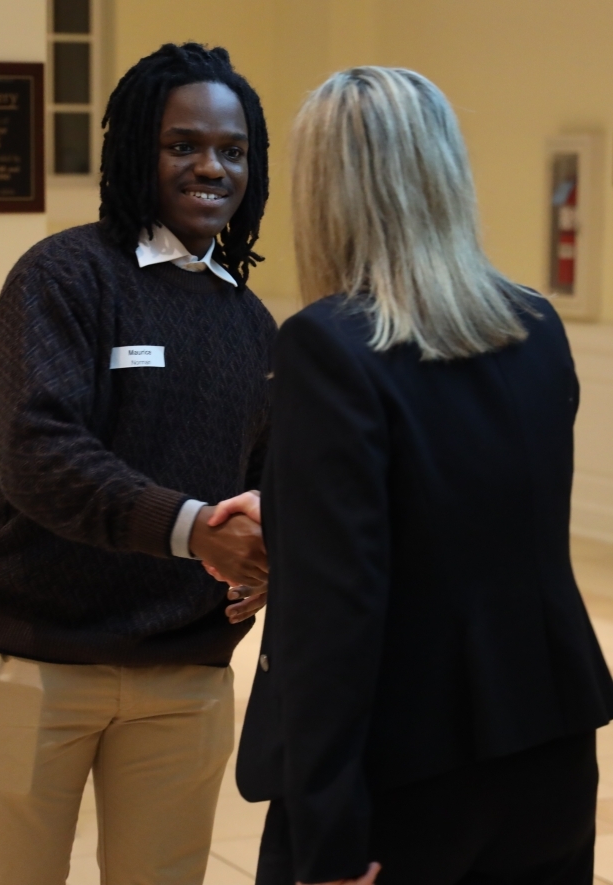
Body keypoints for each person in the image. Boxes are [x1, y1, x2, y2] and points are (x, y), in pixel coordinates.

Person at [229, 67, 613, 885]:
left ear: (323, 189)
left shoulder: (328, 345)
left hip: (399, 778)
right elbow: (477, 518)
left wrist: (328, 830)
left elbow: (337, 613)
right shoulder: (537, 326)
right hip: (547, 753)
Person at [0, 43, 276, 885]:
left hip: (189, 673)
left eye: (233, 151)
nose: (212, 167)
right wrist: (195, 533)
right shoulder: (63, 277)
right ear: (138, 149)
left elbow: (270, 478)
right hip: (44, 663)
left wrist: (271, 551)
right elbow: (40, 453)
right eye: (184, 145)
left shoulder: (251, 322)